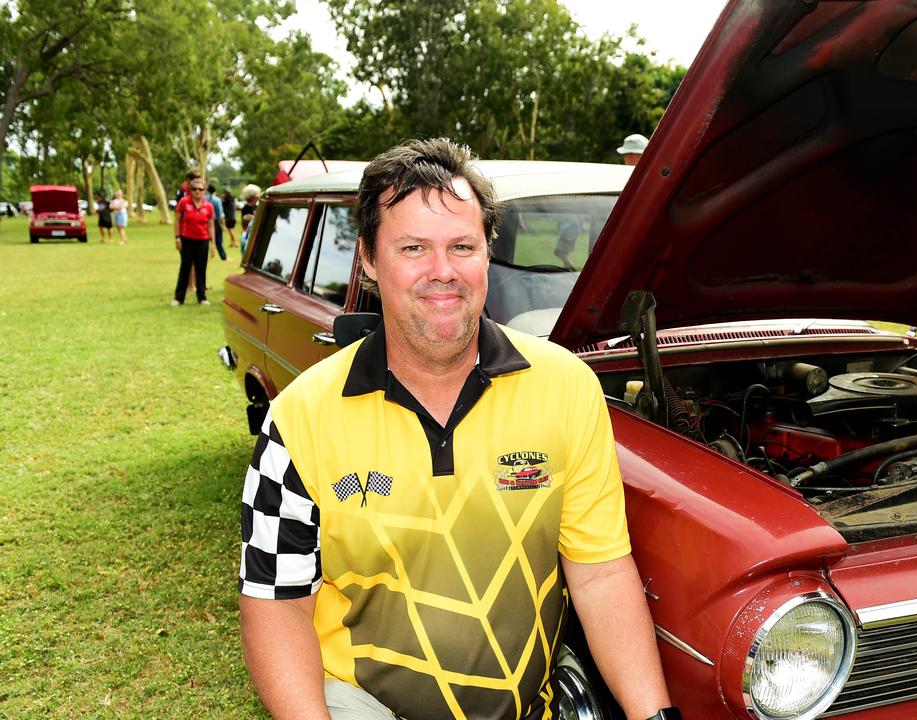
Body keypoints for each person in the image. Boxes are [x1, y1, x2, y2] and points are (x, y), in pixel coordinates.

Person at [238, 138, 677, 720]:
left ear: (487, 253)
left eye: (462, 246)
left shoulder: (566, 389)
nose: (442, 272)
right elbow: (278, 603)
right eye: (413, 247)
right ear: (367, 259)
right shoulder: (300, 419)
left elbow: (599, 573)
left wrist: (656, 716)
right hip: (361, 703)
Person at [170, 177, 216, 306]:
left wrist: (213, 244)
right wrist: (177, 237)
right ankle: (179, 298)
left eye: (200, 189)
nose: (197, 191)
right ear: (190, 190)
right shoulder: (184, 202)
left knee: (201, 269)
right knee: (185, 267)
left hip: (203, 240)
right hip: (187, 240)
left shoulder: (208, 206)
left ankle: (202, 297)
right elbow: (177, 220)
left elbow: (211, 225)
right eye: (194, 189)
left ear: (204, 191)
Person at [240, 183, 261, 255]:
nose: (258, 198)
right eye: (256, 196)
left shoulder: (257, 207)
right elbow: (246, 221)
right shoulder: (246, 208)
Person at [209, 183, 227, 261]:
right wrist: (223, 225)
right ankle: (223, 256)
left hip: (205, 221)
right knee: (219, 240)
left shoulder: (204, 198)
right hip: (215, 222)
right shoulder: (217, 200)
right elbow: (220, 214)